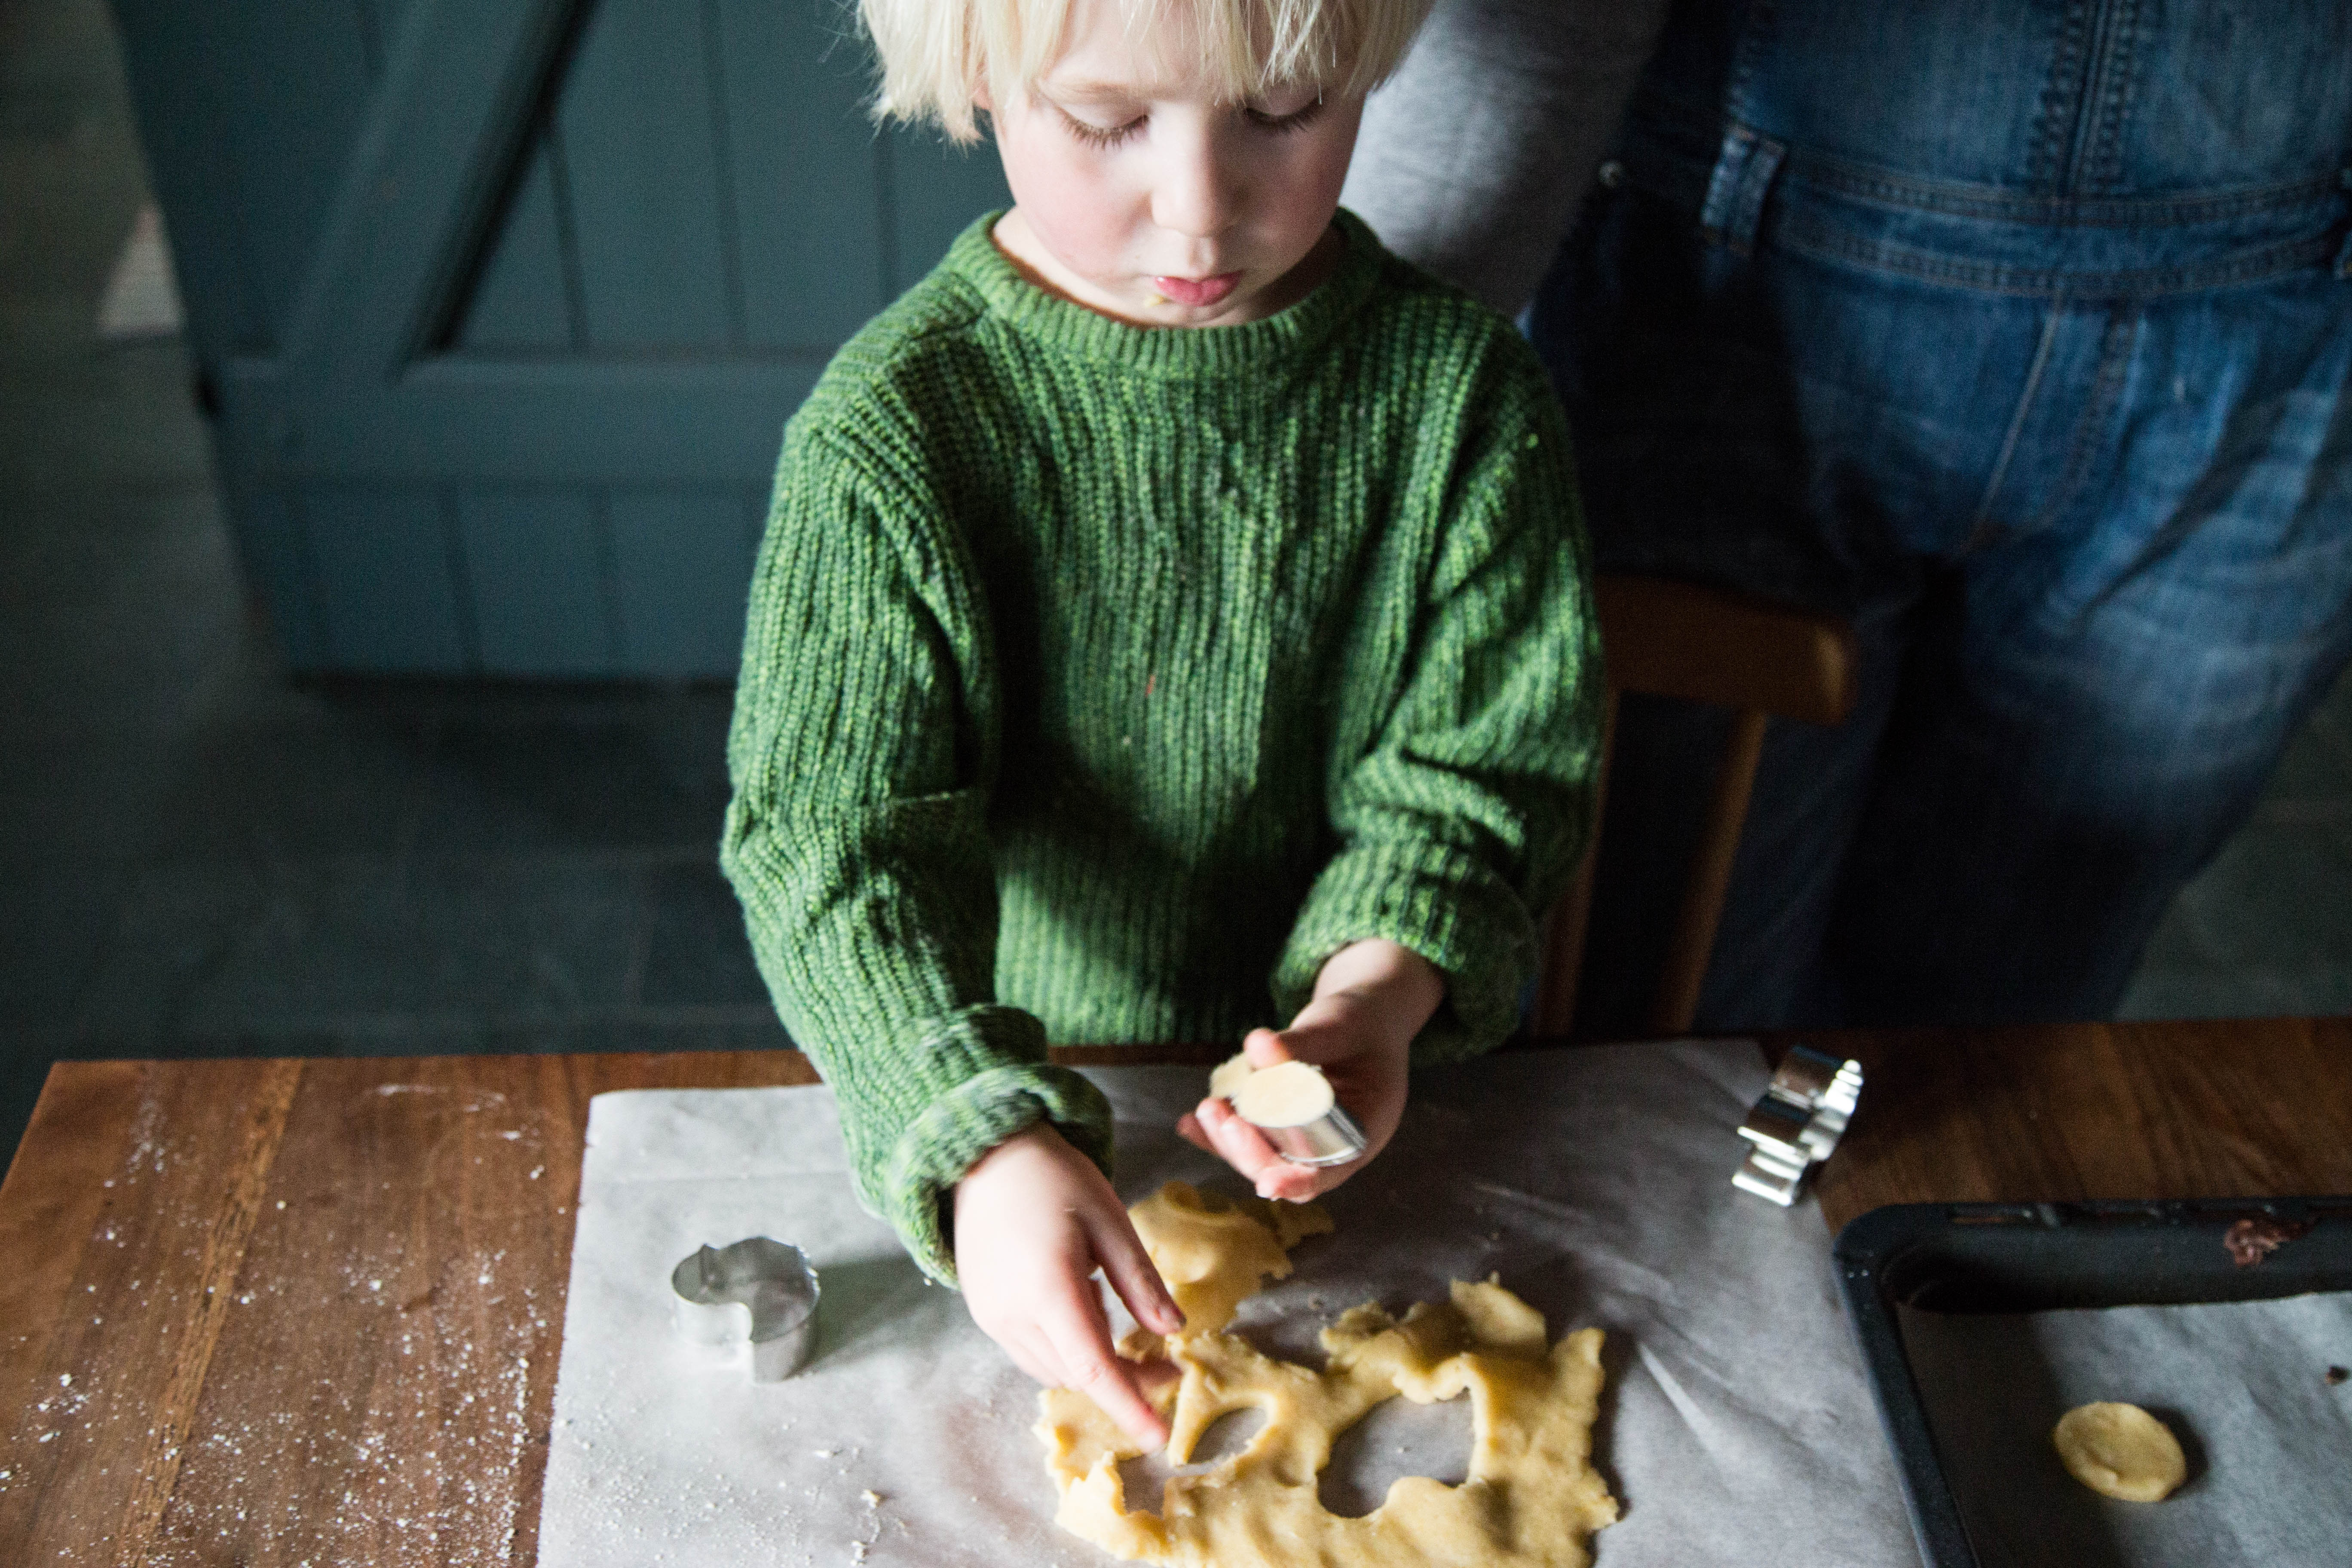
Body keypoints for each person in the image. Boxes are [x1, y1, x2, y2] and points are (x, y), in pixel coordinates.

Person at [721, 0, 1603, 1448]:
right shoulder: (898, 430)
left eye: (1284, 109)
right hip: (1025, 1102)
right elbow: (834, 846)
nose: (1200, 211)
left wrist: (1369, 1000)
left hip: (1379, 1124)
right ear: (978, 84)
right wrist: (973, 1125)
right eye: (1106, 120)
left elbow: (1472, 783)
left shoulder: (1464, 404)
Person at [1345, 0, 2352, 1032]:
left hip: (2277, 345)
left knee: (1995, 1046)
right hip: (1735, 301)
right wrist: (1360, 405)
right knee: (1648, 1034)